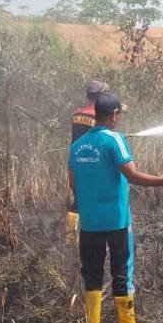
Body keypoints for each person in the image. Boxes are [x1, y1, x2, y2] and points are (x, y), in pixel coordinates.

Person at [69, 92, 163, 323]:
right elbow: (133, 175)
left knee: (91, 273)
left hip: (89, 223)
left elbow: (73, 183)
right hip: (116, 221)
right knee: (122, 272)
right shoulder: (116, 140)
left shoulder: (77, 145)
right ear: (114, 115)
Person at [65, 79, 109, 240]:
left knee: (77, 200)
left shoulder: (76, 114)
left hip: (75, 163)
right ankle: (93, 238)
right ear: (101, 97)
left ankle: (70, 239)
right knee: (95, 201)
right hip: (93, 165)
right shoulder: (99, 117)